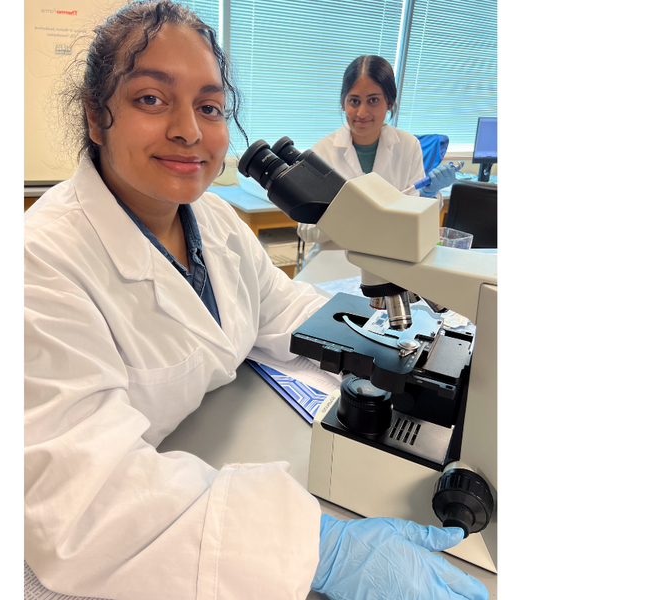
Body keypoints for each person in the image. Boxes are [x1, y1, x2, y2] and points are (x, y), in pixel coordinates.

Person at [24, 2, 487, 599]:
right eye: (150, 99)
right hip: (101, 557)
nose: (190, 130)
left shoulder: (211, 219)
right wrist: (323, 549)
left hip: (201, 463)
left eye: (210, 107)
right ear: (95, 116)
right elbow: (81, 506)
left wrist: (400, 339)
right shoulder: (40, 264)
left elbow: (281, 308)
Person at [297, 55, 457, 264]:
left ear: (389, 102)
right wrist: (351, 216)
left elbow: (418, 221)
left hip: (392, 260)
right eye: (354, 101)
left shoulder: (408, 146)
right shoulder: (321, 152)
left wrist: (428, 195)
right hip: (334, 262)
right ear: (343, 103)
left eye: (373, 100)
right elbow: (306, 230)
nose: (362, 112)